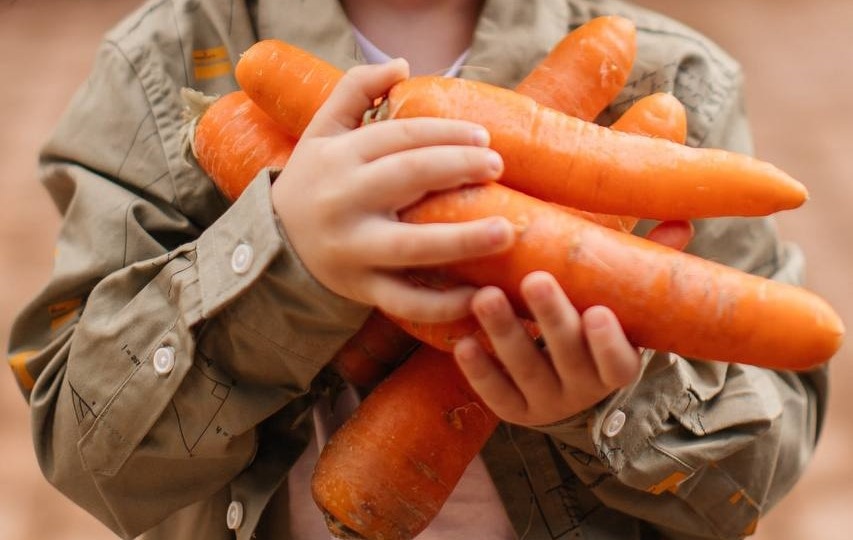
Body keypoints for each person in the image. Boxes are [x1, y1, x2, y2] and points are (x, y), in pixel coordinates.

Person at [6, 0, 828, 538]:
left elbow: (761, 467)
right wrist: (285, 258)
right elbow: (87, 457)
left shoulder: (681, 79)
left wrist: (614, 402)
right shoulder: (164, 64)